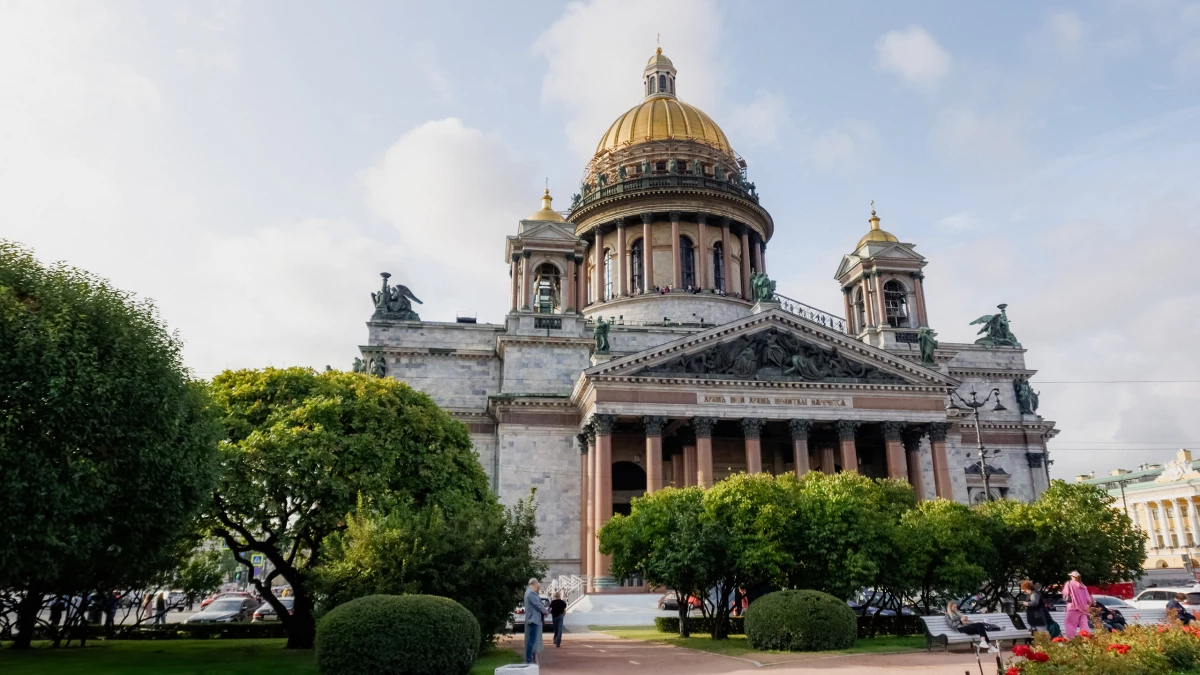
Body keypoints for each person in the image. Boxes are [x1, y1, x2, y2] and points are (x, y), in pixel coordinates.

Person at [1063, 570, 1092, 638]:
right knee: (1084, 625)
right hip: (1084, 608)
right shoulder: (1083, 586)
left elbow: (1065, 593)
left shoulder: (1069, 583)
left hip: (1073, 607)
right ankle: (1086, 639)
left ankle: (1071, 639)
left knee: (1070, 624)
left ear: (1072, 576)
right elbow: (1088, 599)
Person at [523, 578, 545, 664]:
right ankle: (529, 660)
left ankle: (532, 659)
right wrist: (545, 611)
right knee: (531, 641)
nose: (537, 588)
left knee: (532, 640)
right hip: (533, 619)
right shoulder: (531, 593)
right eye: (537, 585)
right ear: (534, 584)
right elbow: (538, 605)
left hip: (532, 619)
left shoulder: (528, 592)